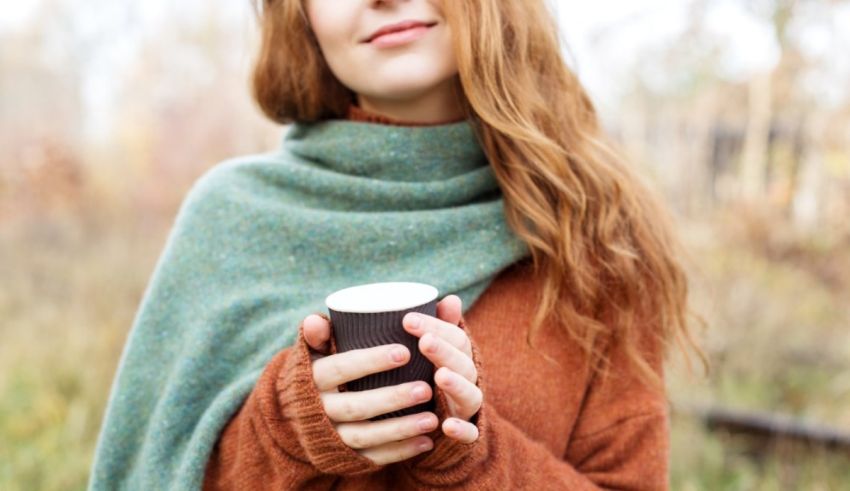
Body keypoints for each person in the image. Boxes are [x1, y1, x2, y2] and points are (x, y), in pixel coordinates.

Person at [89, 0, 705, 489]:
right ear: (298, 13)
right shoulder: (230, 216)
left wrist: (472, 461)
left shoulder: (592, 230)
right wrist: (291, 429)